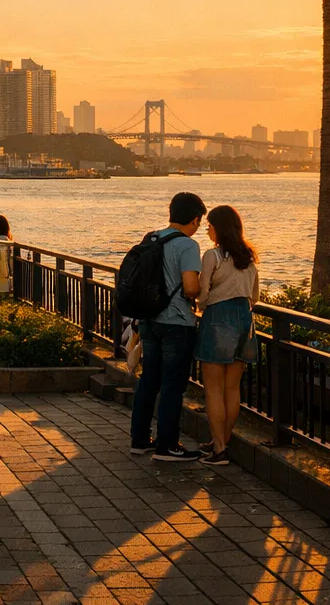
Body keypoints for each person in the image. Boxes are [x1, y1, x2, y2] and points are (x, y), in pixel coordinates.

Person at [130, 191, 206, 463]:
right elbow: (190, 287)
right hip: (176, 324)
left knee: (149, 379)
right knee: (173, 385)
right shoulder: (187, 246)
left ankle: (139, 440)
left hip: (149, 320)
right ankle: (167, 445)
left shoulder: (152, 238)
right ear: (195, 219)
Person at [196, 204, 259, 466]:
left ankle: (219, 448)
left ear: (219, 228)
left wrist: (202, 302)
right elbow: (254, 297)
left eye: (210, 225)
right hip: (245, 320)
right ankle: (223, 439)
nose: (207, 229)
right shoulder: (249, 258)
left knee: (213, 388)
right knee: (232, 388)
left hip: (219, 319)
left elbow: (202, 295)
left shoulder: (213, 256)